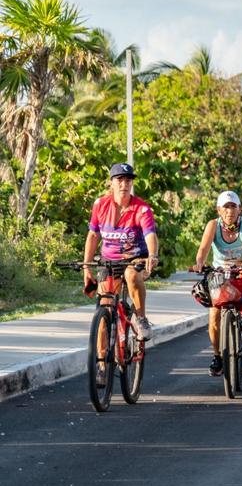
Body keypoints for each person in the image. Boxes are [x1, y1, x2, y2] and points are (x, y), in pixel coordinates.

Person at [84, 163, 158, 386]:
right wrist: (87, 266)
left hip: (135, 259)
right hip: (108, 262)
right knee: (104, 313)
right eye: (119, 180)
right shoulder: (101, 205)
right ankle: (101, 365)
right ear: (112, 183)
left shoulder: (141, 209)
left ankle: (141, 318)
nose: (124, 184)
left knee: (131, 276)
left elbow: (150, 236)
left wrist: (152, 255)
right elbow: (93, 236)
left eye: (128, 180)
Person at [192, 191, 242, 377]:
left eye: (233, 207)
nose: (229, 211)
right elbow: (203, 249)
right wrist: (199, 263)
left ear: (240, 209)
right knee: (214, 314)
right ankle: (217, 356)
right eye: (225, 207)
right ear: (219, 210)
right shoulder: (213, 225)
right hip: (220, 272)